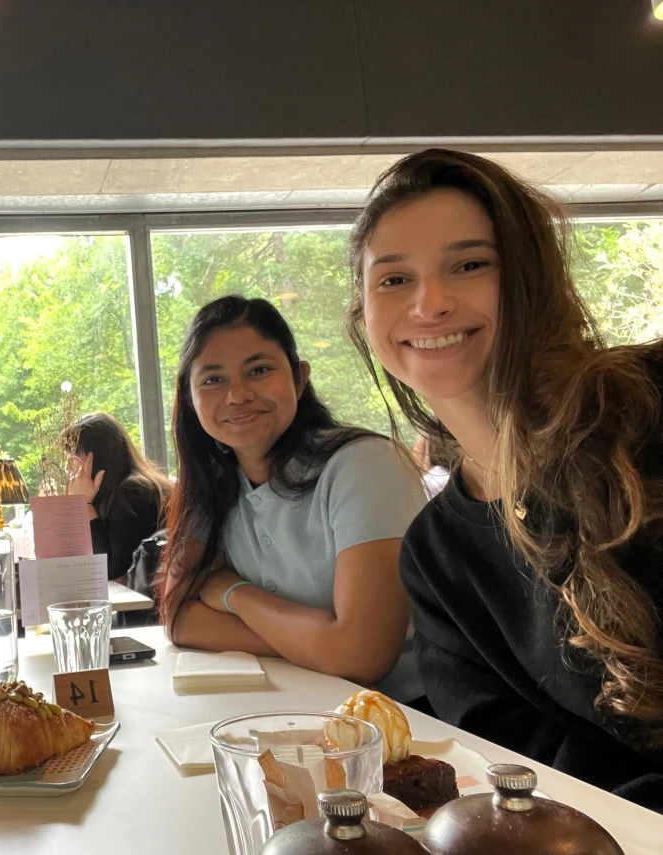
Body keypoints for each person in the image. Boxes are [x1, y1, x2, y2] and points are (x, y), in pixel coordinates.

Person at [348, 147, 663, 809]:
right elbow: (521, 768)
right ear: (364, 317)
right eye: (394, 279)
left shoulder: (646, 408)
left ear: (527, 279)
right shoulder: (436, 560)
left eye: (469, 264)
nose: (429, 302)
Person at [157, 295, 427, 702]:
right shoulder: (213, 484)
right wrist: (318, 646)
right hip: (291, 709)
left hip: (408, 723)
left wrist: (231, 593)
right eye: (213, 379)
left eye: (259, 370)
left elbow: (362, 657)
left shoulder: (364, 465)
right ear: (191, 401)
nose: (238, 395)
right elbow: (179, 619)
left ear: (300, 378)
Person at [61, 412, 172, 580]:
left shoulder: (133, 493)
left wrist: (84, 505)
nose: (68, 469)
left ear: (96, 458)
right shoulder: (118, 492)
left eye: (73, 460)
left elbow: (110, 571)